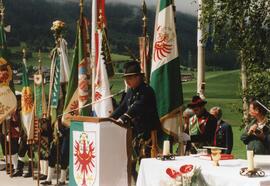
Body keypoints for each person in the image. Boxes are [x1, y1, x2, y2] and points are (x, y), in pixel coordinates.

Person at [110, 61, 161, 180]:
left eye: (130, 78)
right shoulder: (130, 92)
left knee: (147, 164)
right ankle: (137, 182)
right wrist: (110, 118)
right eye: (126, 78)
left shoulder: (147, 91)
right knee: (130, 164)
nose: (127, 81)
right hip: (135, 134)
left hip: (149, 135)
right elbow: (122, 107)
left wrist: (123, 118)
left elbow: (137, 106)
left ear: (138, 77)